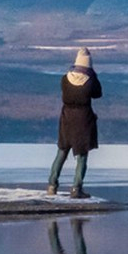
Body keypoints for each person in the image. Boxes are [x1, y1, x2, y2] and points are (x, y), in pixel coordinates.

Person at [47, 47, 102, 198]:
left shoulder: (65, 79)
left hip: (66, 118)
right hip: (83, 119)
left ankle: (52, 184)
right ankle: (76, 188)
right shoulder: (90, 81)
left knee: (62, 151)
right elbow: (98, 94)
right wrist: (93, 75)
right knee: (82, 155)